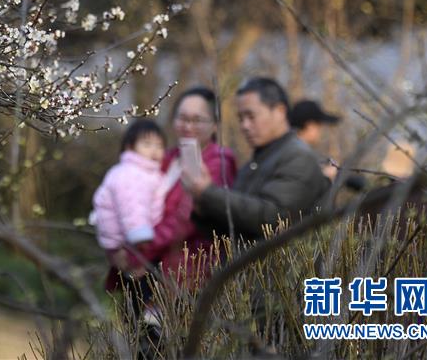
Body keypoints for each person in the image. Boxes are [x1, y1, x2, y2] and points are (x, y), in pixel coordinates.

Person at [181, 77, 330, 242]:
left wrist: (208, 193)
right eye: (240, 118)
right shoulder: (253, 164)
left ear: (280, 112)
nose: (244, 125)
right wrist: (202, 208)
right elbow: (235, 230)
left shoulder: (299, 157)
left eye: (251, 116)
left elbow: (273, 218)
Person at [140, 87, 237, 285]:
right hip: (151, 264)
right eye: (182, 118)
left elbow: (186, 219)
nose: (188, 126)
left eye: (197, 120)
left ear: (215, 126)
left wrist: (141, 251)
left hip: (190, 270)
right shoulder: (168, 157)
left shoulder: (219, 161)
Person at [92, 119, 176, 323]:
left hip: (130, 239)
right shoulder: (130, 173)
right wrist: (141, 237)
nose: (154, 151)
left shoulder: (147, 172)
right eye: (147, 145)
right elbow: (133, 209)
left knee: (140, 280)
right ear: (130, 147)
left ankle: (142, 316)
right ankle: (148, 314)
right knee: (140, 278)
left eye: (159, 145)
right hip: (128, 240)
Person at [290, 99, 366, 191]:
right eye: (319, 125)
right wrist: (325, 178)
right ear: (310, 125)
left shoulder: (289, 148)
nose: (320, 130)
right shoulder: (297, 154)